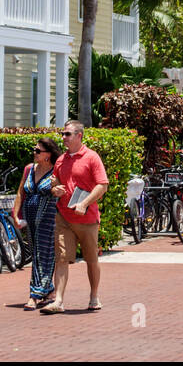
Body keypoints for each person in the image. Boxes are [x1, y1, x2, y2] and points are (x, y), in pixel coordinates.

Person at [41, 120, 109, 314]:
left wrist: (84, 203)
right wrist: (56, 190)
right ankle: (59, 301)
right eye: (63, 134)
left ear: (79, 136)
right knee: (61, 259)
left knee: (91, 259)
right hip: (64, 217)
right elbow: (55, 185)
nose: (63, 138)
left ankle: (94, 295)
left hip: (87, 219)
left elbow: (102, 185)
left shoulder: (92, 157)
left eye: (67, 134)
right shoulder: (61, 159)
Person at [12, 136, 60, 310]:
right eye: (34, 149)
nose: (34, 153)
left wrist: (56, 190)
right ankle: (48, 291)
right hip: (30, 217)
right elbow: (20, 193)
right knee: (36, 254)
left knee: (43, 254)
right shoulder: (29, 169)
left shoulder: (56, 171)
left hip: (48, 218)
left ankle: (35, 294)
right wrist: (15, 215)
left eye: (38, 151)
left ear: (48, 154)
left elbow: (60, 190)